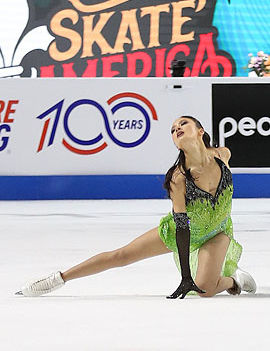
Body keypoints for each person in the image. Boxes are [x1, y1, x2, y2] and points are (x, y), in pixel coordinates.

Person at [17, 116, 256, 298]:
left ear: (200, 131)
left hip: (218, 231)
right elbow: (182, 227)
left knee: (204, 290)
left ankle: (234, 281)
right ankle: (57, 279)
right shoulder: (178, 177)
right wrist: (185, 276)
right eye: (173, 130)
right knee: (120, 255)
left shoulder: (222, 155)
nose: (177, 129)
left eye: (183, 124)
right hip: (182, 232)